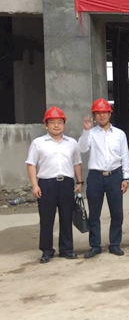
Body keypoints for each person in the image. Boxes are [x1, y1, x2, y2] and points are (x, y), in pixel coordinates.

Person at [26, 107, 83, 263]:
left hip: (66, 183)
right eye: (52, 122)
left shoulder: (72, 143)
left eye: (59, 122)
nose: (56, 125)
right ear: (46, 125)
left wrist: (79, 181)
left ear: (64, 124)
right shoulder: (38, 143)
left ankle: (66, 249)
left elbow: (77, 163)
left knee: (66, 217)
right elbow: (31, 164)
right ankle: (47, 250)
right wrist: (35, 185)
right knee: (46, 218)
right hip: (46, 184)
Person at [79, 98, 129, 258]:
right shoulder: (91, 133)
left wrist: (126, 177)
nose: (102, 115)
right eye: (98, 113)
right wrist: (86, 131)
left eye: (105, 112)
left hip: (115, 175)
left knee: (117, 213)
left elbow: (125, 156)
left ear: (110, 114)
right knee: (94, 213)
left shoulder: (120, 134)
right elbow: (82, 148)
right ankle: (95, 246)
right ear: (94, 116)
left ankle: (114, 244)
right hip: (95, 176)